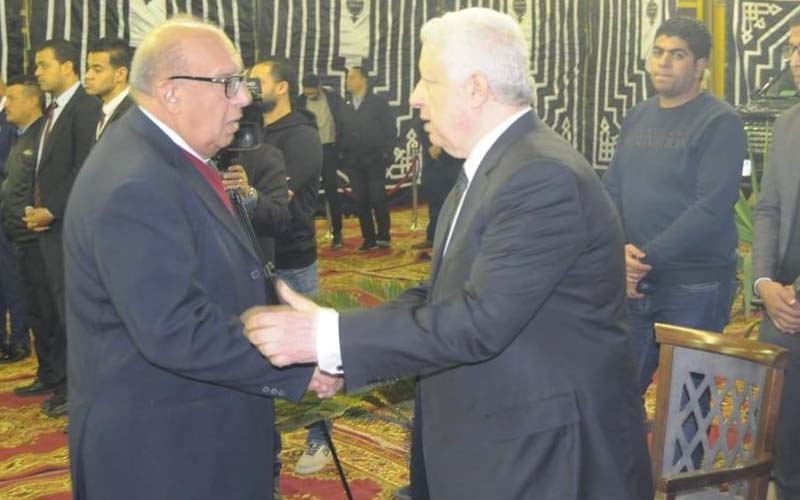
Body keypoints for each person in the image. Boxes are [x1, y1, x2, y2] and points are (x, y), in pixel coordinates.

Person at [243, 8, 653, 500]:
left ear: (476, 88)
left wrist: (327, 338)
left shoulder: (541, 175)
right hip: (499, 441)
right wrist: (340, 345)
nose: (415, 96)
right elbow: (440, 294)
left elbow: (480, 320)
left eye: (428, 80)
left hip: (547, 460)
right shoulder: (496, 165)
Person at [62, 17, 339, 500]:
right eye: (228, 83)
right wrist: (297, 363)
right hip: (164, 456)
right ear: (171, 92)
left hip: (199, 430)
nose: (245, 98)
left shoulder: (170, 158)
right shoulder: (136, 182)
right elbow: (174, 327)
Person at [603, 18, 747, 394]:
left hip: (694, 285)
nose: (663, 62)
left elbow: (710, 207)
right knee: (617, 396)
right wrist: (619, 250)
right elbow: (612, 188)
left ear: (699, 66)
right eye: (658, 52)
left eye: (677, 55)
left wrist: (642, 258)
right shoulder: (638, 115)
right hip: (636, 280)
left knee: (686, 405)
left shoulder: (720, 122)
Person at [248, 58, 329, 475]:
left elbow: (284, 198)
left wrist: (254, 193)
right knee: (261, 354)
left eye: (256, 81)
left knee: (308, 354)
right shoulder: (248, 133)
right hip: (255, 258)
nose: (248, 88)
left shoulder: (302, 136)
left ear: (281, 87)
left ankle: (320, 438)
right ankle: (269, 444)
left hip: (292, 258)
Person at [16, 39, 101, 418]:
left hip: (67, 225)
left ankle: (74, 389)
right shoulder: (53, 110)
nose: (37, 72)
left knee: (71, 313)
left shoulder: (85, 107)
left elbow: (85, 166)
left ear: (67, 67)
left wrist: (53, 209)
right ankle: (54, 377)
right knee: (48, 309)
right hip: (43, 227)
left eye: (43, 64)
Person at [752, 14, 800, 499]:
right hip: (782, 309)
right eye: (792, 48)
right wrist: (764, 283)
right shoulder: (787, 124)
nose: (796, 60)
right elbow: (766, 208)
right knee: (784, 443)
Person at [340, 67, 396, 251]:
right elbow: (341, 130)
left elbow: (390, 129)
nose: (348, 81)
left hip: (375, 159)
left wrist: (386, 153)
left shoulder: (378, 102)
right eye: (347, 77)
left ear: (363, 80)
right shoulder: (345, 104)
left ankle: (384, 236)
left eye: (352, 77)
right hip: (353, 161)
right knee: (360, 200)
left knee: (378, 198)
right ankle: (368, 238)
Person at [0, 76, 30, 364]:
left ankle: (19, 340)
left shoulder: (12, 118)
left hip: (7, 211)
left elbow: (13, 167)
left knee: (12, 278)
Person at [298, 73, 347, 249]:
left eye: (312, 92)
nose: (309, 95)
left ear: (319, 86)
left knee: (332, 193)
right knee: (305, 194)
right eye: (307, 93)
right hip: (308, 152)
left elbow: (343, 122)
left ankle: (337, 233)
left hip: (329, 150)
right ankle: (306, 234)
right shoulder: (299, 102)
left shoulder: (333, 99)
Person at [84, 37, 134, 142]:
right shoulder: (102, 111)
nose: (88, 75)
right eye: (88, 68)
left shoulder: (133, 115)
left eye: (97, 70)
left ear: (120, 74)